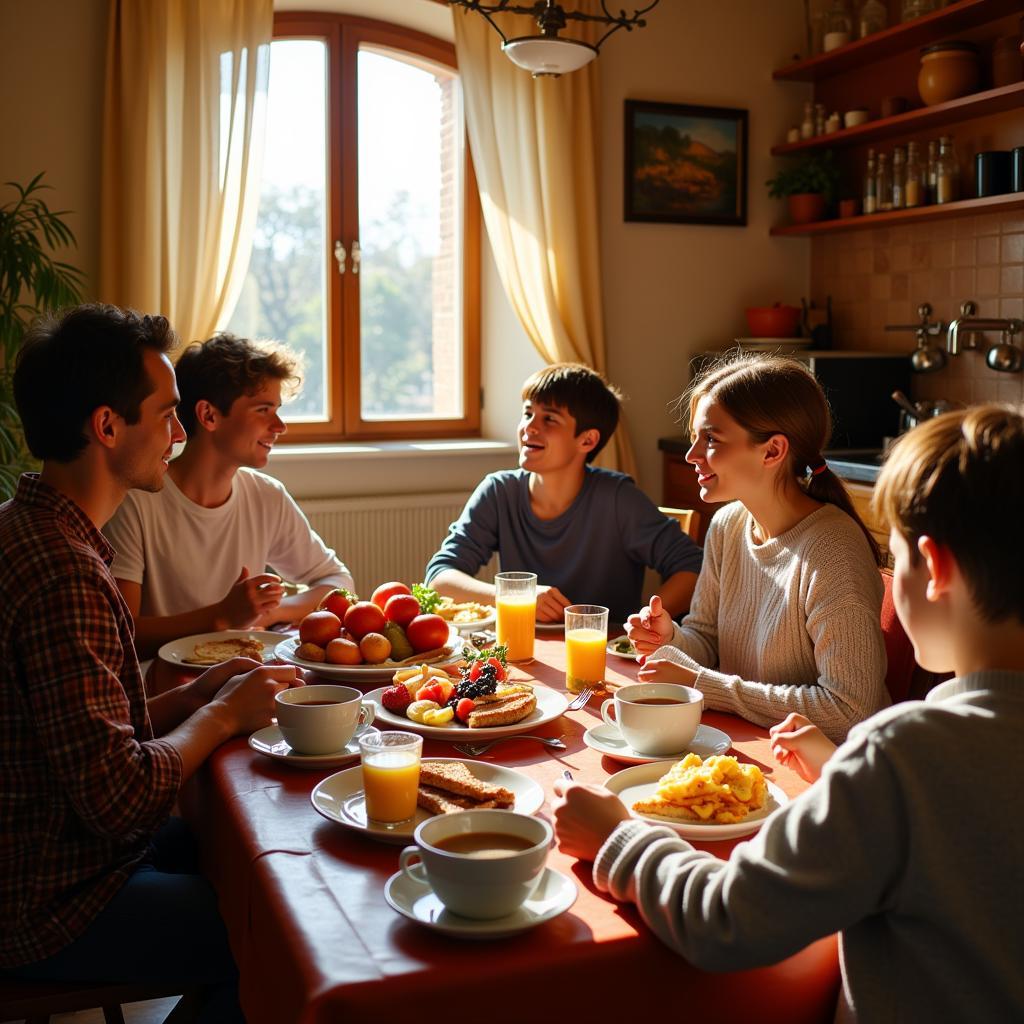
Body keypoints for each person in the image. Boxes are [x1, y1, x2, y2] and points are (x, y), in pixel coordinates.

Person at [553, 404, 1024, 1021]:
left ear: (934, 568)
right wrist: (841, 774)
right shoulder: (901, 762)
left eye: (896, 557)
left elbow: (731, 920)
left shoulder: (903, 755)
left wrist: (618, 838)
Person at [0, 305, 307, 1020]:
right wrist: (226, 713)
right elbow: (120, 797)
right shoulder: (63, 573)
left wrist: (201, 691)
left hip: (62, 850)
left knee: (258, 859)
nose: (179, 434)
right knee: (277, 932)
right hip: (50, 896)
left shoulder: (39, 530)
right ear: (107, 428)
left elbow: (99, 726)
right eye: (168, 415)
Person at [626, 354, 888, 743]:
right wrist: (672, 640)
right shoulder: (728, 525)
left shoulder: (833, 551)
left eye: (711, 439)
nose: (691, 454)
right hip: (747, 746)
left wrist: (704, 683)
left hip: (825, 774)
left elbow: (849, 711)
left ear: (772, 451)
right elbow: (709, 643)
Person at [104, 332, 353, 659]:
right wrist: (223, 617)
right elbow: (124, 633)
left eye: (278, 409)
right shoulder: (136, 502)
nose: (280, 426)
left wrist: (270, 613)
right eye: (264, 410)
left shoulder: (266, 496)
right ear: (208, 415)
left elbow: (339, 583)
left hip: (246, 675)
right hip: (166, 687)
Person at [425, 363, 703, 624]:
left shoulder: (618, 500)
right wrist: (515, 596)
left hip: (604, 659)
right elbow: (440, 578)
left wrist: (643, 625)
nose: (529, 427)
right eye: (527, 413)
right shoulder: (499, 492)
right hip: (524, 654)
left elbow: (694, 568)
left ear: (587, 440)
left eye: (550, 419)